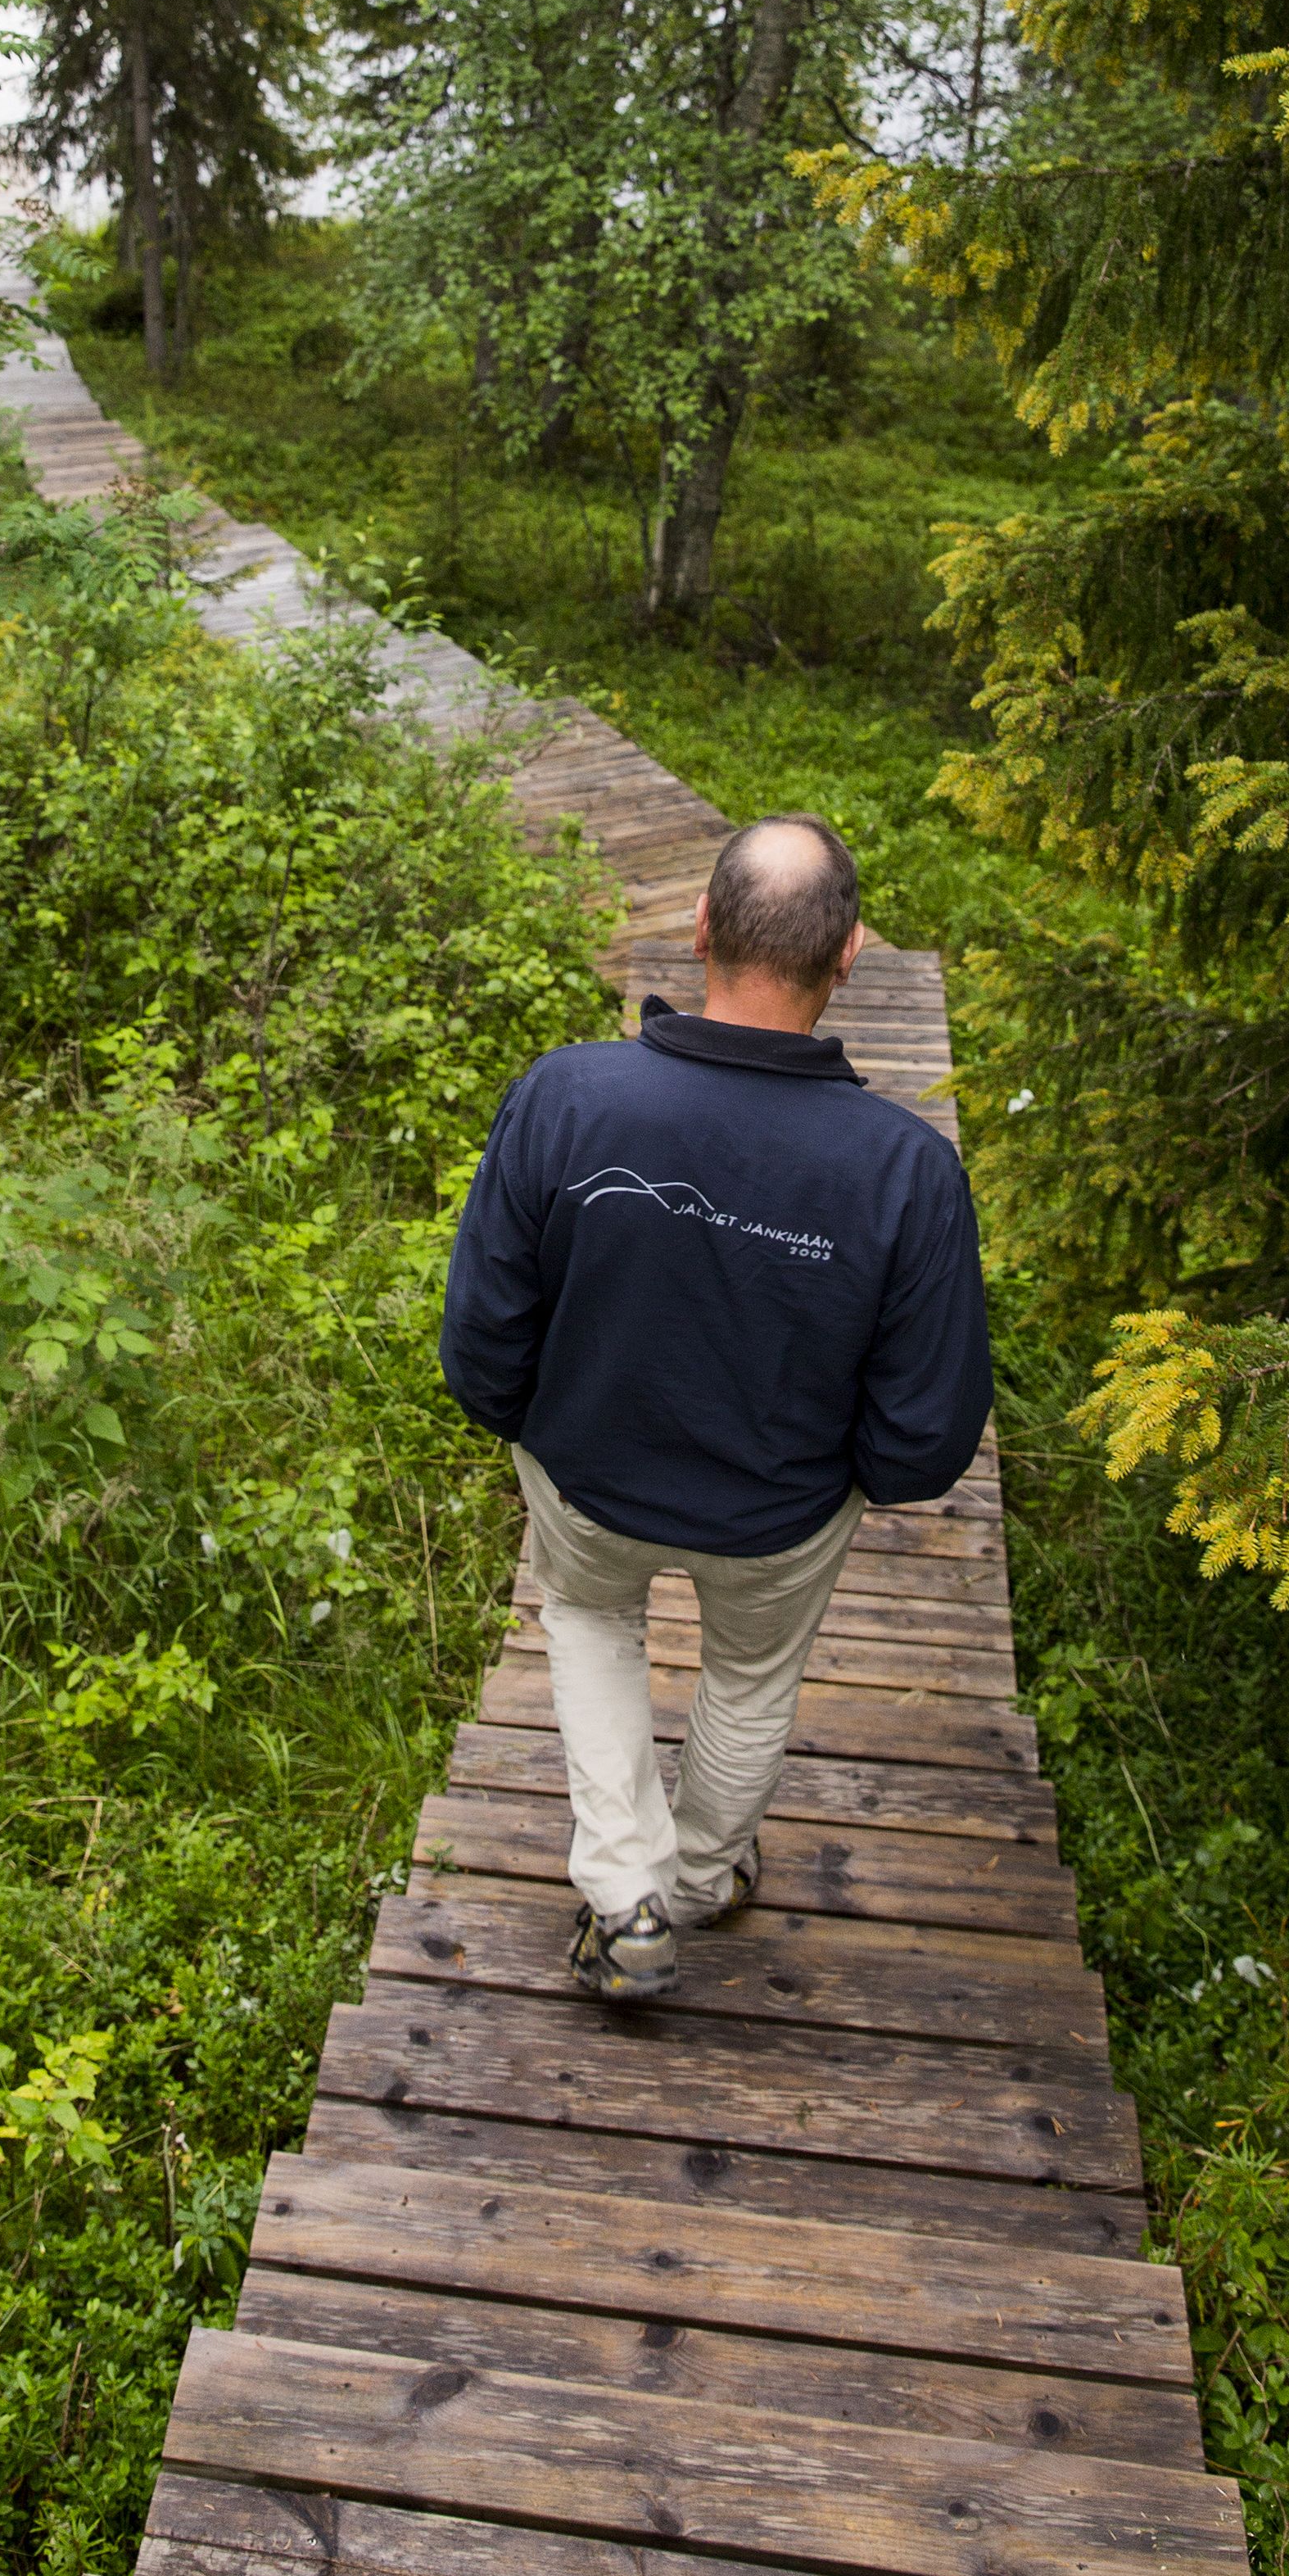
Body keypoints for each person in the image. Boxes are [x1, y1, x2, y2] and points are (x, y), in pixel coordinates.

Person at [439, 813, 992, 2002]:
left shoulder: (568, 1097)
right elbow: (927, 1433)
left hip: (587, 1479)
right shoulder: (908, 1172)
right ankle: (696, 1877)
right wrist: (848, 1479)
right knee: (749, 1678)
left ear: (700, 928)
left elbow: (484, 1327)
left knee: (589, 1621)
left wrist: (529, 1423)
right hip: (778, 1519)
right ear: (847, 957)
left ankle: (628, 1900)